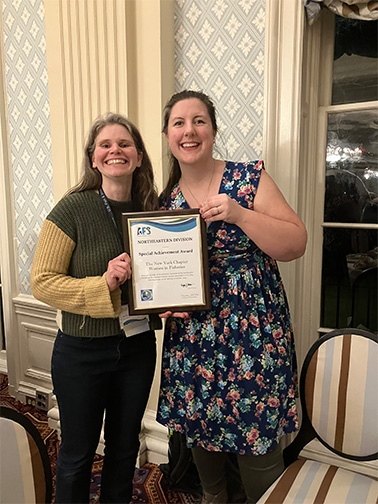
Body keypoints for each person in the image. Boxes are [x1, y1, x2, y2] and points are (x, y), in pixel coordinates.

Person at [157, 90, 307, 504]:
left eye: (199, 121)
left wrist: (240, 214)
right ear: (167, 135)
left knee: (256, 427)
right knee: (201, 421)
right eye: (179, 123)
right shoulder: (165, 202)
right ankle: (213, 497)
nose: (189, 130)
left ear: (214, 130)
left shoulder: (248, 179)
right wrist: (161, 299)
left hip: (251, 329)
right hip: (194, 332)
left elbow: (296, 243)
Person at [31, 113, 162, 504]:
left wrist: (174, 301)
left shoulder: (153, 209)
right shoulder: (71, 209)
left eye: (124, 144)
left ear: (138, 156)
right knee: (76, 455)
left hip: (137, 350)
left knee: (124, 449)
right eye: (105, 145)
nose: (115, 151)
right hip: (81, 352)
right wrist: (100, 285)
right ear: (93, 158)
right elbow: (42, 280)